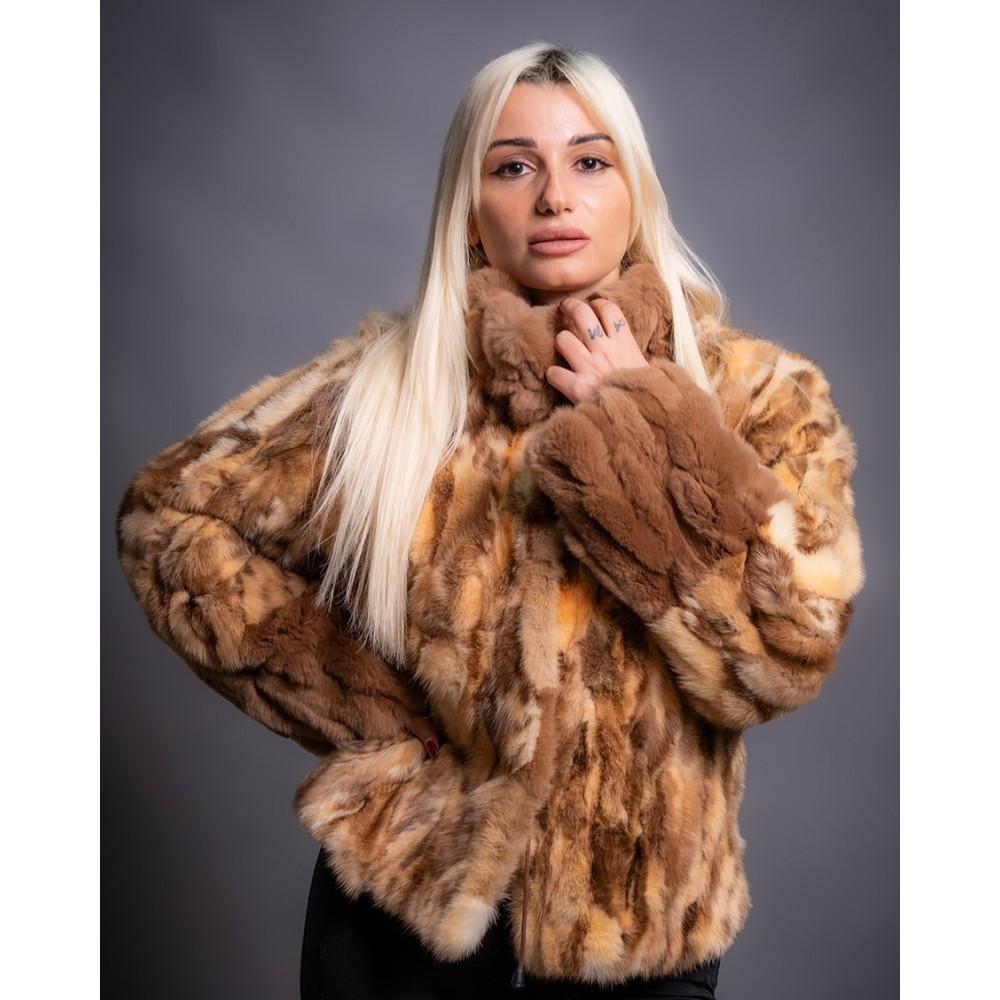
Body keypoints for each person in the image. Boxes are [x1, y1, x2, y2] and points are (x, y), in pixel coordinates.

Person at [117, 42, 864, 999]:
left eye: (590, 161)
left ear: (635, 194)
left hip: (634, 937)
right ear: (471, 210)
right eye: (514, 166)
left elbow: (786, 647)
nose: (555, 196)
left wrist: (638, 420)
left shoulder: (755, 395)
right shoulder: (387, 390)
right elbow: (170, 518)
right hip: (402, 918)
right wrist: (357, 701)